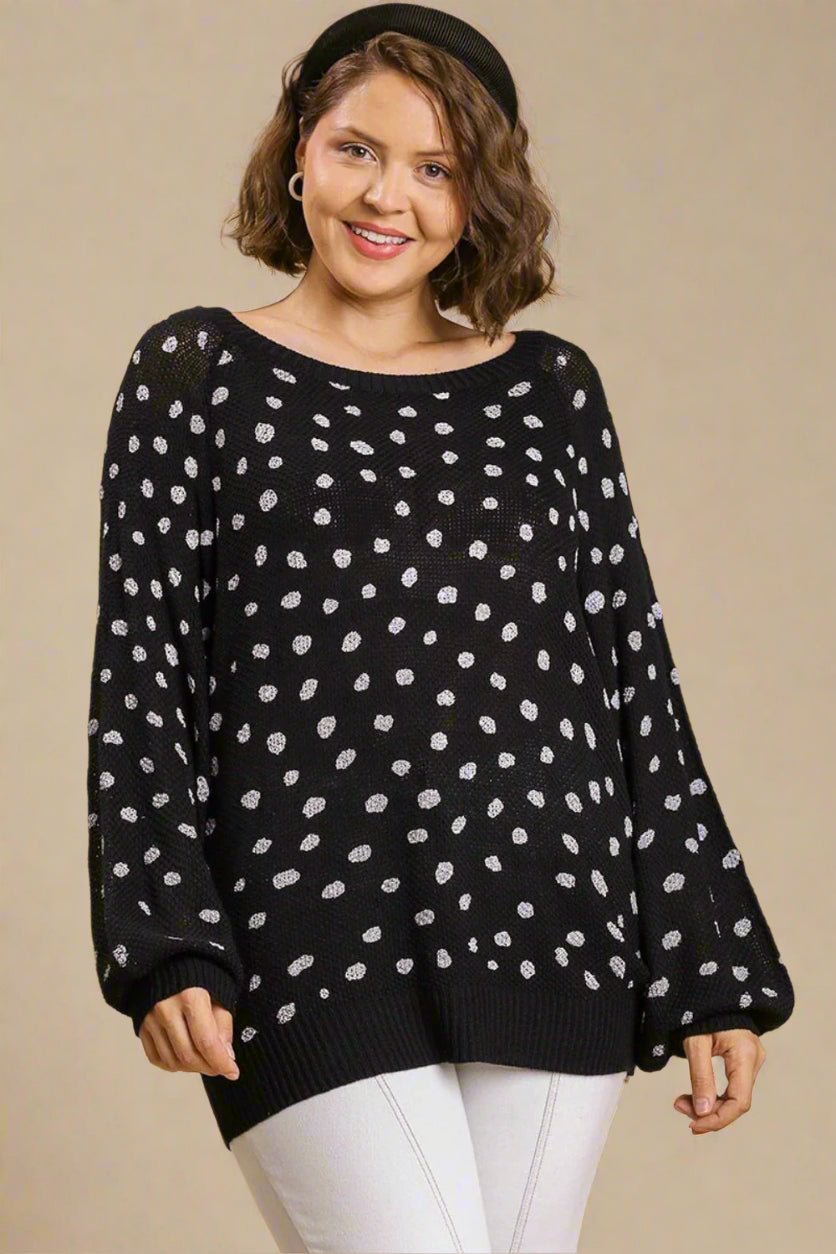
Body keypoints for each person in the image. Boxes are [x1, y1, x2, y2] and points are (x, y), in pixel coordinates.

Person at [85, 5, 796, 1251]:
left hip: (553, 923)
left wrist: (708, 962)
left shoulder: (551, 392)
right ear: (298, 151)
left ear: (480, 195)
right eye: (357, 150)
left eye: (436, 169)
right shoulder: (194, 374)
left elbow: (632, 680)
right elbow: (143, 679)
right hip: (306, 938)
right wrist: (164, 940)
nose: (387, 197)